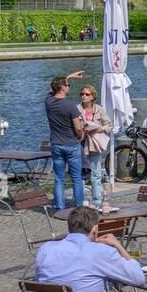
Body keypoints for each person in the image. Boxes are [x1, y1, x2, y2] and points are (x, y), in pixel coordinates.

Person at [45, 71, 87, 211]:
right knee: (76, 178)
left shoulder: (49, 102)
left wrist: (68, 77)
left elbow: (51, 89)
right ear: (62, 88)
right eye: (67, 85)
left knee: (59, 179)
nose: (69, 87)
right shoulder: (70, 106)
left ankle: (60, 208)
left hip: (56, 145)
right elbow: (78, 127)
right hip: (71, 145)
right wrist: (80, 136)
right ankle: (79, 207)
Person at [77, 84, 113, 212]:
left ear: (93, 96)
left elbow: (109, 125)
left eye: (87, 94)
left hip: (95, 144)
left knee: (96, 173)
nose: (83, 96)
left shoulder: (99, 109)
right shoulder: (76, 109)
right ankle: (80, 201)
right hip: (81, 144)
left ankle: (97, 201)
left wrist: (98, 129)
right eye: (82, 94)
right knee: (81, 174)